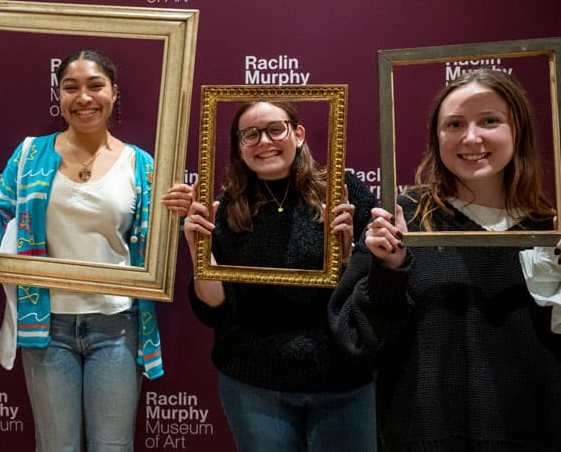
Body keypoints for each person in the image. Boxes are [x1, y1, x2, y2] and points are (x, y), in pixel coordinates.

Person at [0, 49, 187, 452]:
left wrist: (179, 216)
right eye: (71, 88)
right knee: (55, 447)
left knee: (113, 447)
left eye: (95, 85)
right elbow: (0, 234)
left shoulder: (142, 165)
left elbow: (156, 252)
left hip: (116, 326)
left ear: (114, 93)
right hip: (48, 328)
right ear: (59, 96)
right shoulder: (30, 154)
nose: (84, 97)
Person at [328, 68, 561, 451]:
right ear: (437, 138)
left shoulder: (546, 225)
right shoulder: (400, 221)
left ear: (517, 130)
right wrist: (389, 271)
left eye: (490, 121)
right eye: (454, 124)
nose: (471, 138)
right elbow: (358, 344)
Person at [182, 100, 378, 451]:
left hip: (344, 382)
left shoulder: (343, 192)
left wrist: (350, 257)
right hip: (254, 384)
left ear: (298, 134)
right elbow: (215, 310)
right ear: (239, 146)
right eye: (250, 134)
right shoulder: (226, 208)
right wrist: (201, 254)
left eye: (275, 129)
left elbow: (378, 294)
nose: (264, 141)